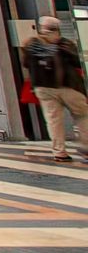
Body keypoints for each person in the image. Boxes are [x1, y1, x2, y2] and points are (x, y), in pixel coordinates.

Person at [20, 16, 88, 162]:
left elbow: (26, 64)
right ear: (57, 29)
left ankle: (59, 152)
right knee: (83, 116)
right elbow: (78, 61)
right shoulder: (64, 43)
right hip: (68, 86)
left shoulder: (30, 44)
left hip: (43, 88)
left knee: (53, 120)